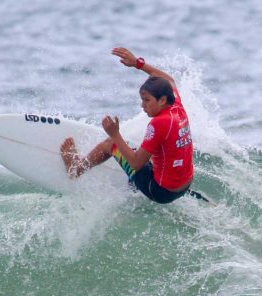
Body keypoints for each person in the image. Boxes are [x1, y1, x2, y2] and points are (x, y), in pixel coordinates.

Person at [60, 47, 194, 204]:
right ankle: (134, 188)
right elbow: (168, 80)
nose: (142, 105)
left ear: (162, 100)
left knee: (111, 144)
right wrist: (138, 64)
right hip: (185, 184)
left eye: (147, 100)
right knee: (146, 150)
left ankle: (76, 169)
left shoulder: (159, 123)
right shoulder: (176, 106)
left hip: (160, 192)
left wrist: (115, 134)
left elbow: (137, 164)